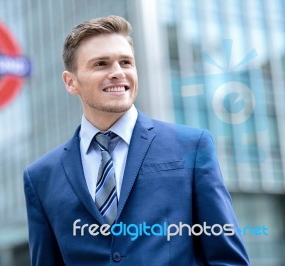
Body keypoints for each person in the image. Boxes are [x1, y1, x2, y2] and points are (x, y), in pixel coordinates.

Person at [23, 15, 250, 265]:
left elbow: (227, 258)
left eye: (126, 62)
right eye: (101, 64)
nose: (118, 73)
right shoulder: (40, 177)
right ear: (70, 82)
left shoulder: (192, 146)